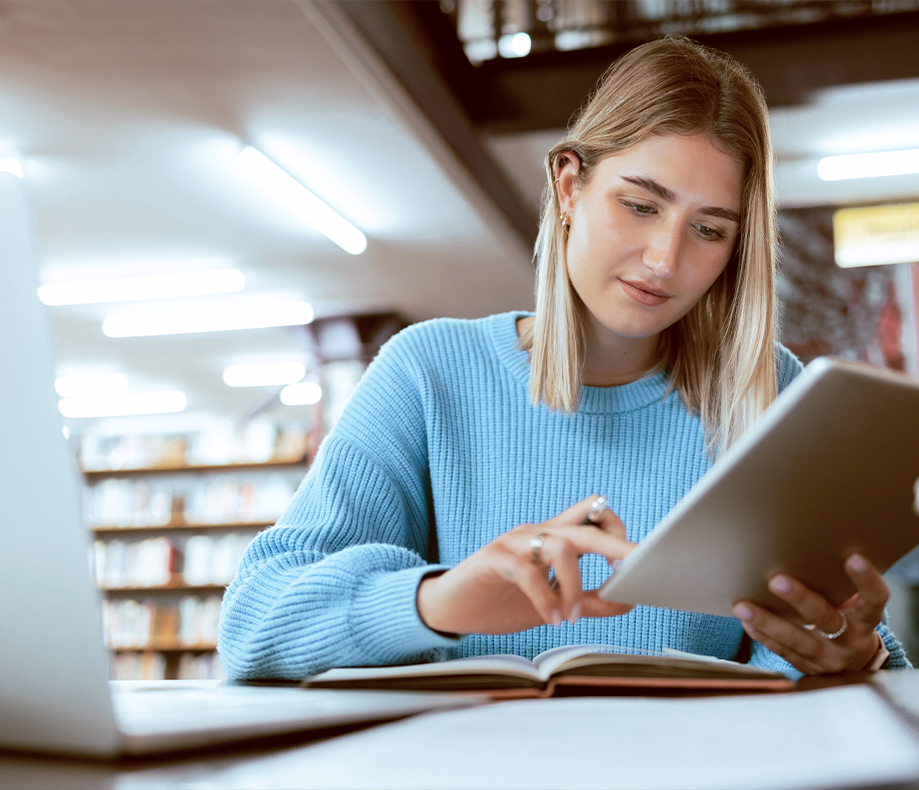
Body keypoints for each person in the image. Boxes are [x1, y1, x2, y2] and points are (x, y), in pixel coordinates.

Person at [218, 36, 908, 679]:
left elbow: (849, 655)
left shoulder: (771, 396)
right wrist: (442, 601)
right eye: (639, 206)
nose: (664, 260)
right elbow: (252, 627)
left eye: (707, 229)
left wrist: (858, 656)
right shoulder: (427, 372)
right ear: (569, 185)